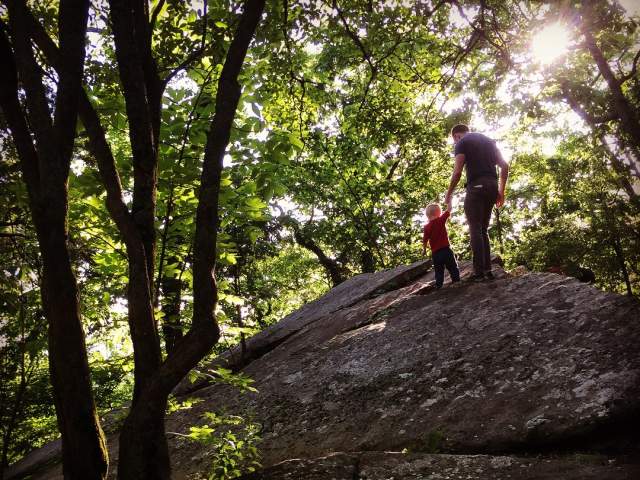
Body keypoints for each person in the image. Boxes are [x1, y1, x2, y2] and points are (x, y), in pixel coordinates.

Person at [444, 124, 509, 281]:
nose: (455, 143)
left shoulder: (462, 143)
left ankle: (478, 273)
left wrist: (449, 194)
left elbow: (458, 172)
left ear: (456, 136)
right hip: (492, 186)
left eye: (454, 140)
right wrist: (501, 191)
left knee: (475, 227)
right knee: (483, 229)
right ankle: (487, 271)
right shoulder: (489, 141)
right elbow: (505, 165)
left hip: (476, 187)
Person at [422, 200, 460, 289]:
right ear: (438, 213)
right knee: (452, 266)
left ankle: (439, 285)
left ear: (428, 215)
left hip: (436, 254)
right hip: (446, 250)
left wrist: (424, 250)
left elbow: (424, 240)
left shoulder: (426, 227)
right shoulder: (441, 220)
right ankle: (456, 281)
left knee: (438, 270)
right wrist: (449, 199)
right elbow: (449, 209)